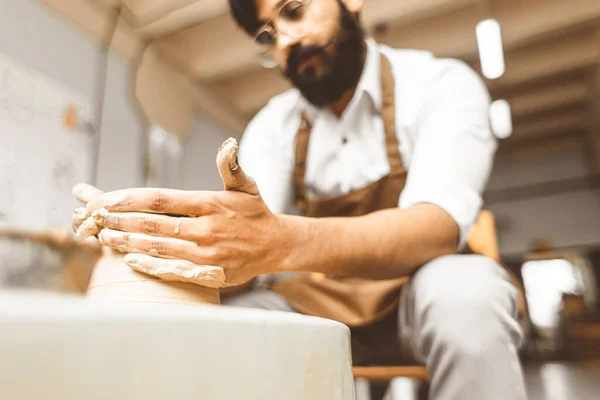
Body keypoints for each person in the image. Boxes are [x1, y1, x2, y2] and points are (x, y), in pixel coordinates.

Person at [72, 0, 527, 398]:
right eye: (267, 35)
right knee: (209, 324)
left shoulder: (439, 85)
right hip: (324, 298)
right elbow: (246, 243)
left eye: (295, 10)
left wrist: (281, 242)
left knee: (469, 299)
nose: (285, 40)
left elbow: (435, 227)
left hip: (422, 291)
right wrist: (146, 246)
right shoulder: (274, 126)